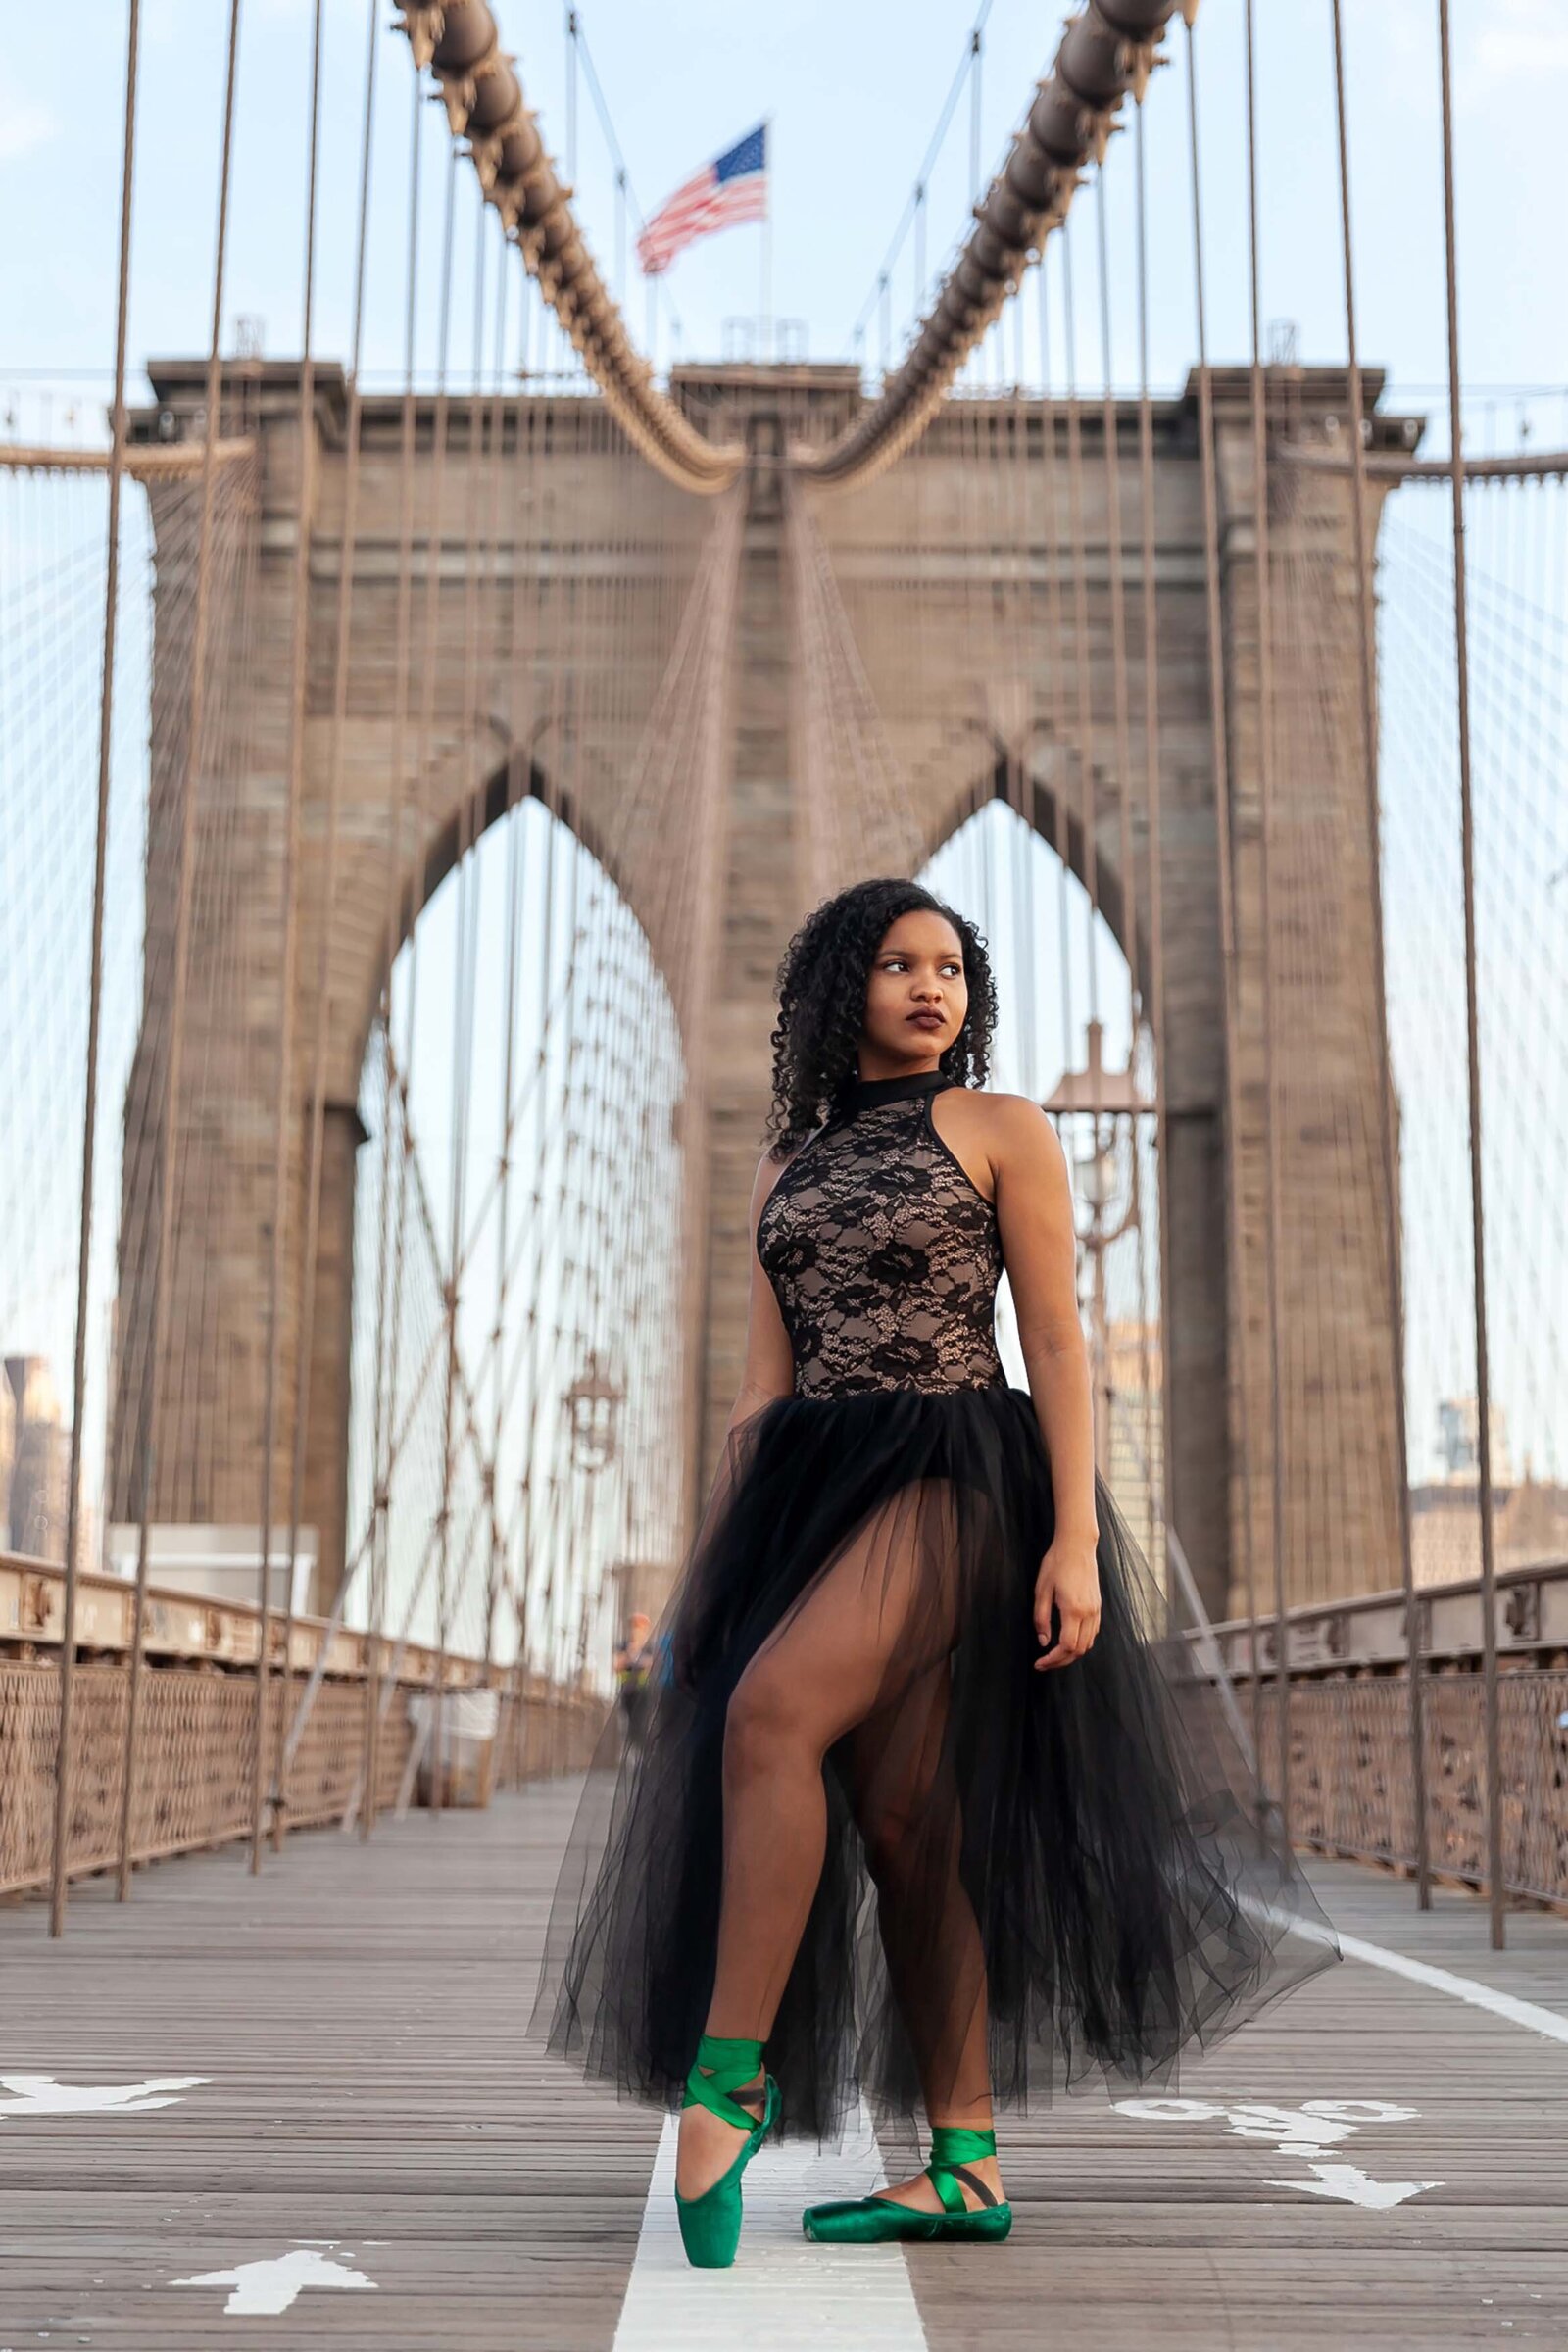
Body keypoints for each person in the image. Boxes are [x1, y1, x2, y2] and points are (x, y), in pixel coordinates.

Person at [537, 877, 1334, 2270]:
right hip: (808, 1495)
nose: (931, 988)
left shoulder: (1002, 1129)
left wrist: (1076, 1536)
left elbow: (1062, 1342)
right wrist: (704, 1571)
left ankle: (727, 2082)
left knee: (771, 1719)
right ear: (841, 984)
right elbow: (756, 1394)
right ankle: (964, 2164)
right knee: (907, 1824)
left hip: (958, 1477)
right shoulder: (785, 1172)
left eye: (953, 969)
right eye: (901, 964)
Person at [612, 1612, 654, 1753]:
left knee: (641, 1725)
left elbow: (652, 1664)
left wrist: (639, 1659)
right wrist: (629, 1656)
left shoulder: (649, 1648)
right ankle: (630, 1754)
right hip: (627, 1692)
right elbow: (616, 1666)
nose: (636, 1631)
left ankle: (642, 1753)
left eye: (640, 1628)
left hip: (643, 1693)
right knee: (628, 1727)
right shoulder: (624, 1647)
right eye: (634, 1628)